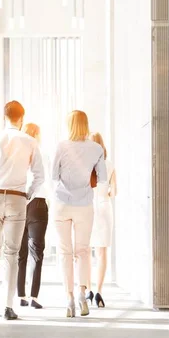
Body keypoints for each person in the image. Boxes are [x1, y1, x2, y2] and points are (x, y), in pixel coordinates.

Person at [0, 100, 44, 320]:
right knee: (11, 254)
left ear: (4, 117)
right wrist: (28, 194)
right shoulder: (30, 141)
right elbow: (40, 175)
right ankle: (8, 307)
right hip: (17, 200)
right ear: (21, 118)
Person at [51, 110, 106, 317]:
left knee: (65, 252)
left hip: (62, 204)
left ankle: (69, 299)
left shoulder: (61, 146)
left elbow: (53, 175)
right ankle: (83, 295)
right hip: (85, 205)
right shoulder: (96, 148)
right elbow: (102, 178)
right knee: (82, 252)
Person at [17, 123, 50, 309]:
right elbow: (45, 179)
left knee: (20, 253)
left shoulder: (16, 153)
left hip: (20, 203)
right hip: (37, 202)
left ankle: (20, 295)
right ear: (37, 134)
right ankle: (34, 297)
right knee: (36, 253)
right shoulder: (41, 152)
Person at [86, 132, 117, 308]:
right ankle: (99, 291)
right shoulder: (110, 165)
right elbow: (114, 192)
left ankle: (88, 289)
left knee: (86, 252)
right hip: (105, 208)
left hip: (89, 208)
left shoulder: (86, 166)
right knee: (102, 252)